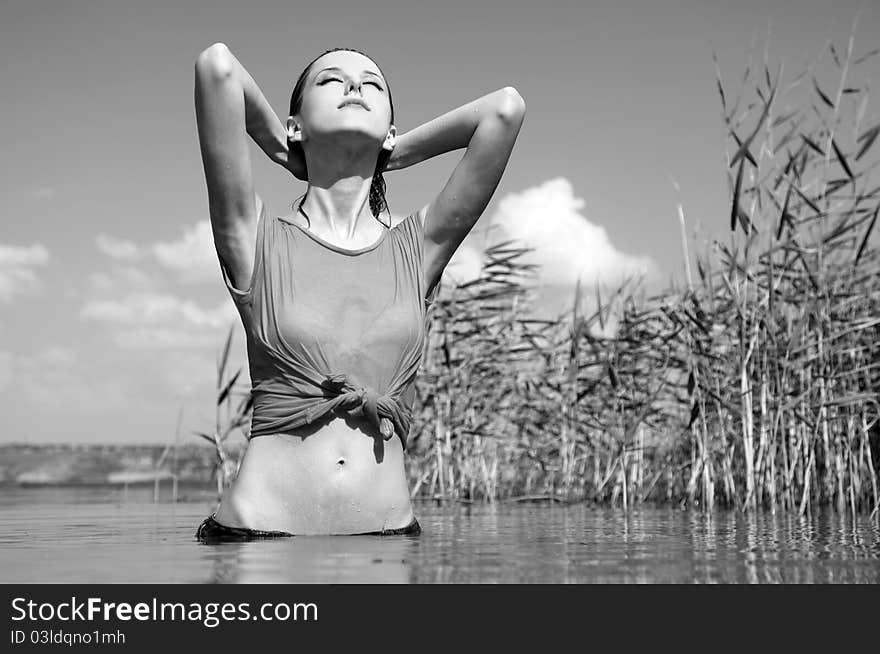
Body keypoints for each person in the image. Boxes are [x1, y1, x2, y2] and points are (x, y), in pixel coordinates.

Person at [193, 43, 524, 540]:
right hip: (257, 550)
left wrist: (395, 150)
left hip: (386, 548)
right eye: (331, 80)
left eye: (372, 85)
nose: (353, 87)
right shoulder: (256, 239)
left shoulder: (418, 250)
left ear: (390, 128)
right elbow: (217, 67)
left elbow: (505, 109)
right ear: (295, 123)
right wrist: (287, 151)